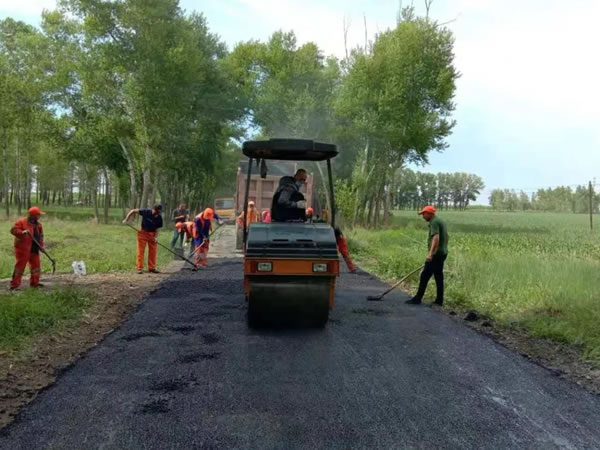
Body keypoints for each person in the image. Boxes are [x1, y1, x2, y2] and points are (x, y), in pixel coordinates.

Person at [406, 205, 449, 306]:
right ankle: (439, 300)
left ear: (430, 214)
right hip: (442, 253)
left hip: (436, 254)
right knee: (438, 276)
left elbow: (436, 238)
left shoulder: (434, 222)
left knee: (425, 275)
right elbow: (446, 236)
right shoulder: (439, 220)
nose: (423, 216)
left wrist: (430, 254)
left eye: (424, 214)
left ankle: (418, 298)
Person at [10, 206, 46, 290]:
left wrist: (41, 246)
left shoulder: (39, 225)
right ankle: (14, 285)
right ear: (33, 215)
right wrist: (22, 232)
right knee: (20, 267)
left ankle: (34, 283)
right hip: (23, 249)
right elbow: (13, 230)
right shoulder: (21, 222)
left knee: (36, 266)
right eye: (38, 214)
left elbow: (40, 236)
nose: (39, 216)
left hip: (34, 249)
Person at [123, 204, 163, 274]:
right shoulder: (146, 212)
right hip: (143, 233)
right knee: (140, 251)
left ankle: (152, 268)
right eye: (156, 212)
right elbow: (133, 211)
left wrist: (156, 237)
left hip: (152, 235)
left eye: (158, 212)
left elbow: (158, 228)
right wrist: (126, 219)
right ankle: (139, 268)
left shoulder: (159, 217)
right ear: (153, 209)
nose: (157, 213)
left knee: (153, 252)